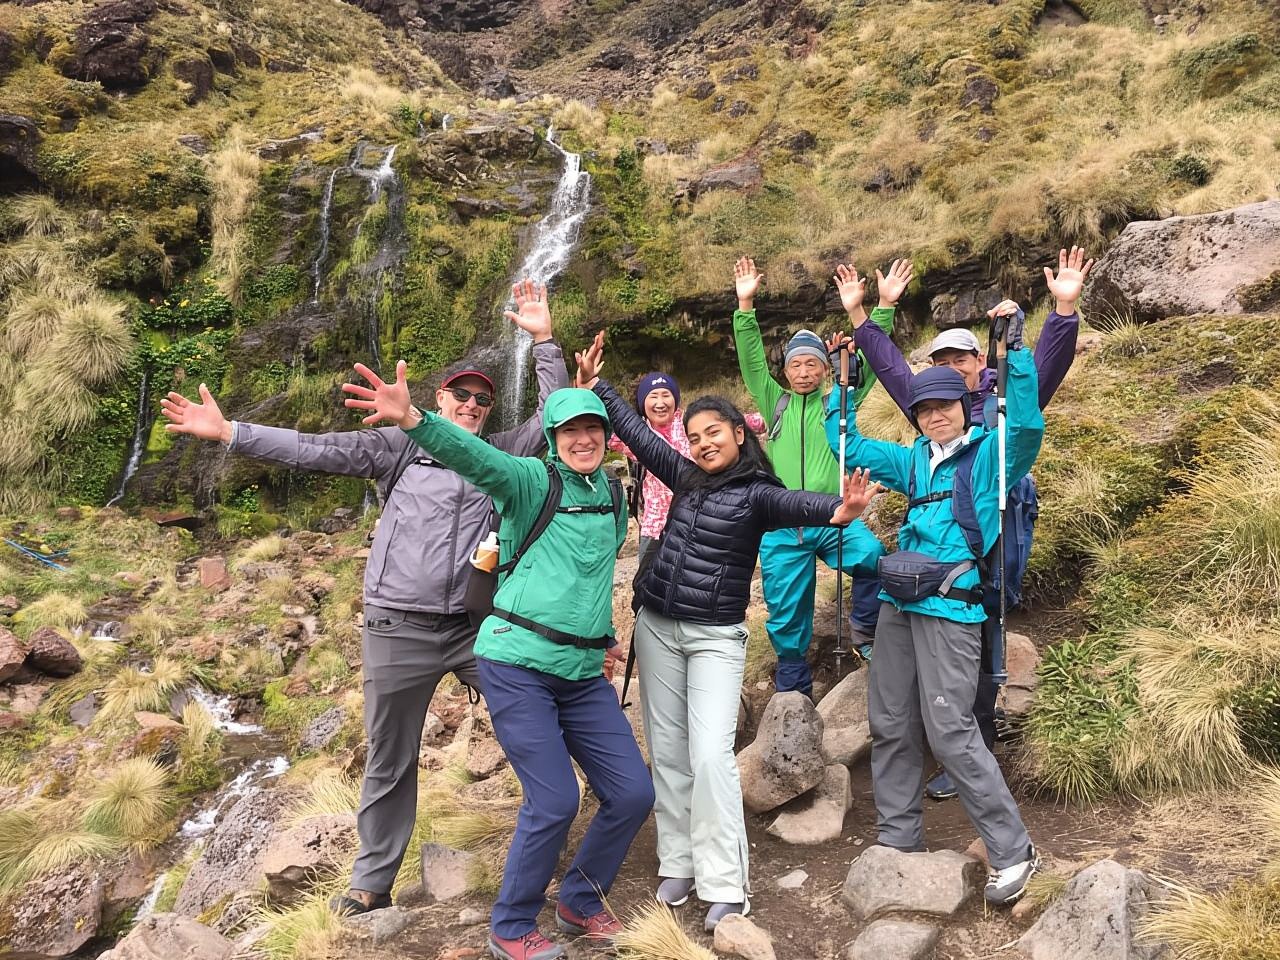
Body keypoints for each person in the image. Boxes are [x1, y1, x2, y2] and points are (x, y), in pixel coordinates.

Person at [158, 281, 567, 918]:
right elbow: (311, 450)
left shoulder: (505, 453)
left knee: (542, 713)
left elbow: (558, 412)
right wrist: (230, 431)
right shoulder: (398, 447)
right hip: (397, 625)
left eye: (483, 399)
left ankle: (556, 838)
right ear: (438, 399)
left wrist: (544, 342)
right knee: (390, 758)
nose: (473, 404)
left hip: (476, 626)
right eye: (462, 394)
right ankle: (371, 884)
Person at [342, 360, 654, 960]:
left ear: (607, 436)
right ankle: (510, 926)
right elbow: (472, 456)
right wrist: (412, 418)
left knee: (635, 792)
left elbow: (588, 578)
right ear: (554, 439)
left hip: (582, 670)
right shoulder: (530, 480)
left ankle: (579, 901)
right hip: (517, 665)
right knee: (557, 798)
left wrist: (602, 636)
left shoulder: (614, 496)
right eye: (570, 431)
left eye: (593, 429)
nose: (584, 439)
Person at [576, 332, 879, 931]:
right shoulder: (685, 478)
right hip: (658, 628)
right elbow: (638, 435)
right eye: (693, 437)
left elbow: (799, 503)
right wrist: (598, 388)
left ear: (740, 434)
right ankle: (679, 861)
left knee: (711, 754)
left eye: (712, 431)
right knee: (667, 750)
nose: (701, 442)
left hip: (714, 636)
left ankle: (725, 880)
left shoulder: (759, 494)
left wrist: (840, 512)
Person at [835, 247, 1093, 800]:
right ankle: (959, 743)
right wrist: (863, 318)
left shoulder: (1003, 402)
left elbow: (1045, 366)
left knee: (990, 614)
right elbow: (891, 370)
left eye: (961, 359)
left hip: (1004, 517)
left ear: (981, 361)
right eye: (942, 362)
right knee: (965, 624)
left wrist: (1063, 311)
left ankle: (976, 743)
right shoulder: (931, 410)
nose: (951, 370)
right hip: (947, 537)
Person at [824, 302, 1044, 907]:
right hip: (900, 601)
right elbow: (846, 443)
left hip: (951, 605)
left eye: (943, 405)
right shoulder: (914, 459)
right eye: (924, 408)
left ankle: (1013, 848)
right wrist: (846, 383)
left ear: (963, 404)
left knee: (950, 730)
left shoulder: (990, 456)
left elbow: (1026, 427)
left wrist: (1016, 353)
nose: (934, 415)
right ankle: (898, 839)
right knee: (890, 720)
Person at [731, 256, 904, 697]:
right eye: (796, 365)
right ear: (785, 372)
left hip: (836, 517)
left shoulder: (839, 397)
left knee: (874, 561)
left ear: (826, 369)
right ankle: (794, 686)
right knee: (787, 614)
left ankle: (865, 629)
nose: (804, 372)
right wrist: (745, 305)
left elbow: (872, 357)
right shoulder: (776, 403)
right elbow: (751, 360)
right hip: (782, 526)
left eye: (812, 364)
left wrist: (881, 307)